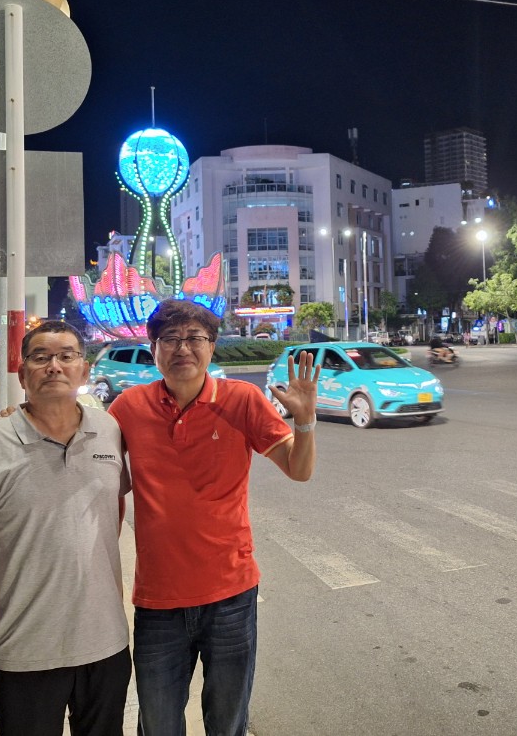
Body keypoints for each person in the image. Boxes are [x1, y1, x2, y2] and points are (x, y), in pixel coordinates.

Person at [107, 299, 319, 736]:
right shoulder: (128, 407)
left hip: (230, 594)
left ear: (212, 346)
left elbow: (299, 471)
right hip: (158, 600)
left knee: (227, 723)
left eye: (195, 338)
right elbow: (97, 467)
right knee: (158, 724)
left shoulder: (242, 399)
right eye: (170, 338)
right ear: (153, 348)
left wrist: (305, 420)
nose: (183, 348)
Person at [0, 321, 131, 736]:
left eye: (67, 356)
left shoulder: (109, 430)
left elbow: (114, 507)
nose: (55, 366)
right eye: (41, 357)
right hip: (25, 647)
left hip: (105, 642)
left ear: (84, 370)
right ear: (22, 373)